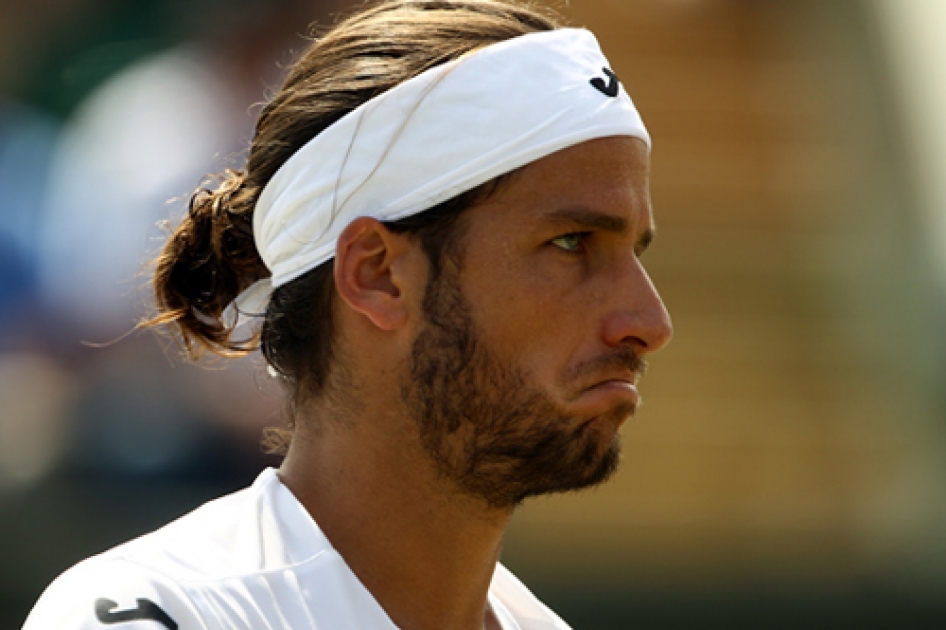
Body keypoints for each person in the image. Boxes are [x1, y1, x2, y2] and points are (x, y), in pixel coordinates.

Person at [23, 0, 673, 628]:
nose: (648, 321)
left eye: (633, 251)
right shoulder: (157, 616)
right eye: (571, 243)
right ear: (377, 275)